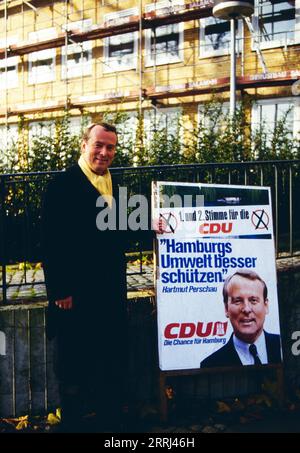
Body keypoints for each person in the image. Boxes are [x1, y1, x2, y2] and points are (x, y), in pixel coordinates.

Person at [42, 122, 129, 432]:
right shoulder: (62, 186)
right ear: (84, 145)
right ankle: (74, 425)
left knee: (108, 360)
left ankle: (109, 423)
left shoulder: (113, 184)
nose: (104, 153)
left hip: (108, 291)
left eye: (111, 147)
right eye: (99, 145)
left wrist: (153, 224)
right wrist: (60, 291)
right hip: (74, 295)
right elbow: (51, 243)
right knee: (72, 365)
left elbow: (120, 229)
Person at [200, 270, 282, 368]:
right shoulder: (210, 365)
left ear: (266, 305)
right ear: (226, 308)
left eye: (253, 300)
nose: (246, 309)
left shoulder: (286, 347)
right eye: (238, 301)